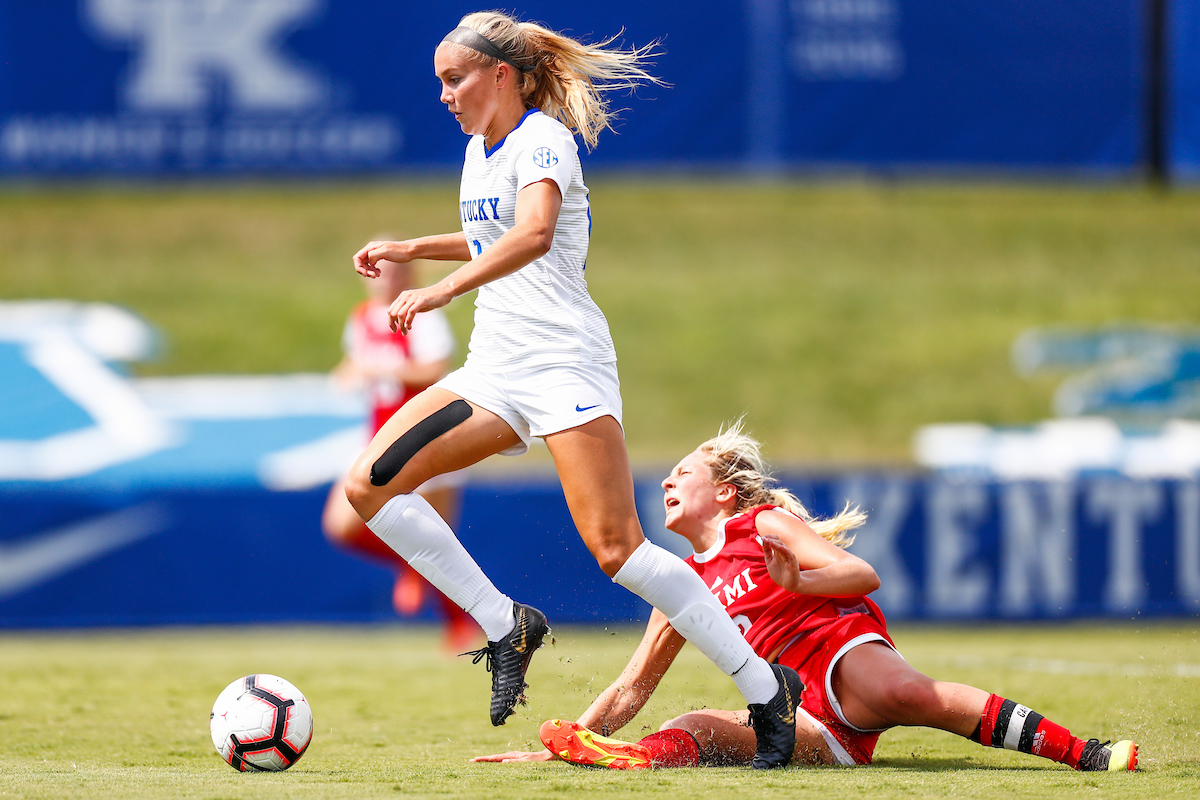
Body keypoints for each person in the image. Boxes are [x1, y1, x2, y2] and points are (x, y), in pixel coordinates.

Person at [341, 11, 803, 768]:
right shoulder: (476, 149)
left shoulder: (544, 139)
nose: (444, 94)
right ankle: (505, 627)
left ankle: (764, 688)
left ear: (501, 76)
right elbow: (493, 228)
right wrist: (414, 248)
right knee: (369, 486)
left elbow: (534, 232)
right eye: (438, 82)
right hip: (496, 369)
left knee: (618, 549)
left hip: (563, 365)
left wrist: (442, 289)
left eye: (454, 78)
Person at [474, 422, 1140, 773]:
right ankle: (630, 761)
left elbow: (861, 576)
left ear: (725, 492)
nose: (668, 483)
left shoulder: (759, 525)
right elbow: (632, 687)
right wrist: (571, 742)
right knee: (699, 729)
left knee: (907, 693)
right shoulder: (676, 580)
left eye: (683, 474)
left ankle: (1084, 753)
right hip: (800, 717)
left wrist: (800, 583)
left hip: (841, 659)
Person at [321, 256, 479, 651]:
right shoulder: (360, 317)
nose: (381, 281)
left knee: (440, 542)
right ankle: (409, 564)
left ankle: (465, 627)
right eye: (376, 273)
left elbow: (436, 369)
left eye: (391, 272)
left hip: (425, 438)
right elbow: (354, 363)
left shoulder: (421, 315)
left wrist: (381, 370)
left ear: (408, 276)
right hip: (375, 440)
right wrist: (345, 374)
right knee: (341, 526)